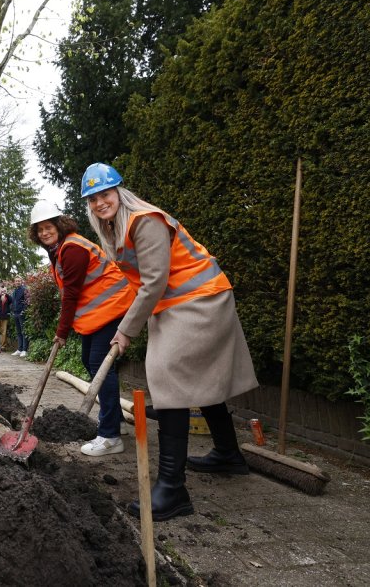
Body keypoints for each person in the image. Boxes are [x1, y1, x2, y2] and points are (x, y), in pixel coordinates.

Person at [81, 162, 259, 522]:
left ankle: (172, 488)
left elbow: (155, 281)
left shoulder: (143, 221)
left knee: (166, 377)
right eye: (93, 198)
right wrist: (125, 323)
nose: (100, 202)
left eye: (105, 194)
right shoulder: (116, 230)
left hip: (201, 298)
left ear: (119, 192)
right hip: (176, 304)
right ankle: (228, 453)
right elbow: (140, 285)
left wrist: (128, 329)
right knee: (196, 381)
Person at [28, 199, 136, 456]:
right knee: (91, 361)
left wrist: (61, 332)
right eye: (39, 229)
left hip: (113, 306)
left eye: (48, 227)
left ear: (59, 225)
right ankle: (117, 421)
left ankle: (110, 435)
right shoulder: (60, 249)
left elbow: (71, 295)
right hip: (101, 312)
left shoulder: (73, 248)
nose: (44, 233)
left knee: (100, 365)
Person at [11, 275, 29, 356]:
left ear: (21, 281)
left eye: (19, 280)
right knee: (18, 332)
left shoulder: (24, 290)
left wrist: (23, 311)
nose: (17, 282)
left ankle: (25, 350)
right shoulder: (14, 291)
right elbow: (13, 302)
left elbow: (27, 301)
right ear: (15, 282)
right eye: (16, 281)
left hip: (22, 314)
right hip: (15, 313)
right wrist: (12, 311)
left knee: (24, 332)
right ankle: (19, 349)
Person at [0, 284, 12, 350]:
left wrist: (6, 294)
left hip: (5, 316)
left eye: (5, 290)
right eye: (2, 290)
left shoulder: (8, 297)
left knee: (4, 331)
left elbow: (11, 301)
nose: (3, 291)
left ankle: (3, 346)